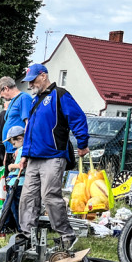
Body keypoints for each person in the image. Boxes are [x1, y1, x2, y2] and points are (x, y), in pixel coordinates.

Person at [16, 62, 88, 245]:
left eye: (32, 80)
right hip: (33, 157)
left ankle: (66, 235)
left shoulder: (60, 95)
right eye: (28, 82)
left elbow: (77, 118)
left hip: (53, 156)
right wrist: (24, 154)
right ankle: (27, 235)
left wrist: (82, 143)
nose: (30, 85)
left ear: (43, 75)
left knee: (50, 196)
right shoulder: (35, 101)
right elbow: (29, 130)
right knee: (28, 197)